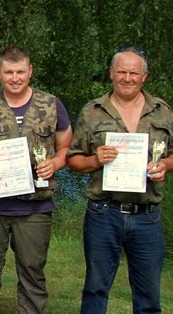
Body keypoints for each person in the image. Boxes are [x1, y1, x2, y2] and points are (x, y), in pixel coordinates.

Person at [0, 45, 72, 314]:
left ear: (30, 71)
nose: (15, 78)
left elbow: (67, 146)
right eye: (9, 72)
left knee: (33, 272)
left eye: (20, 72)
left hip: (35, 206)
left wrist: (55, 163)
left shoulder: (51, 105)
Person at [67, 46, 172, 314]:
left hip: (147, 215)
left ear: (144, 76)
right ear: (111, 73)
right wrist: (95, 160)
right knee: (95, 289)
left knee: (149, 296)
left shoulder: (163, 112)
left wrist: (165, 165)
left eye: (134, 73)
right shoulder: (92, 111)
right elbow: (73, 160)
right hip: (104, 213)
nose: (127, 78)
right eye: (122, 72)